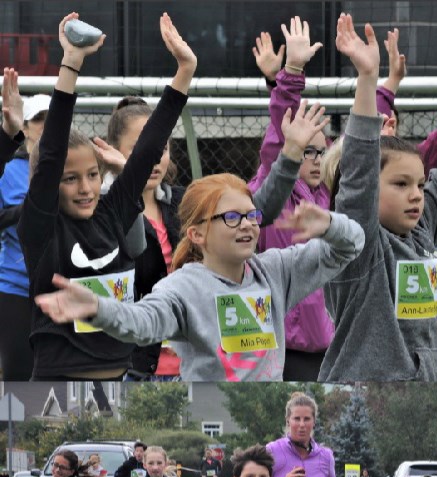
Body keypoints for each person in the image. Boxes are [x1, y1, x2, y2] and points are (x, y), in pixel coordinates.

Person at [33, 112, 364, 382]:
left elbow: (351, 244)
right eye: (232, 217)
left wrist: (329, 225)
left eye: (252, 216)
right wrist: (98, 307)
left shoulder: (276, 270)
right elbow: (141, 323)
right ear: (197, 234)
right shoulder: (183, 287)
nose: (248, 225)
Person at [319, 14, 437, 382]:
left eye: (419, 184)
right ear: (370, 188)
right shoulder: (357, 243)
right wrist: (368, 81)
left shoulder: (422, 230)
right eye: (400, 185)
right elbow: (356, 175)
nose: (416, 195)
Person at [19, 12, 192, 380]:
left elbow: (147, 148)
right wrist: (72, 62)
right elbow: (50, 154)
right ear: (49, 185)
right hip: (61, 379)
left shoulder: (113, 213)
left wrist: (185, 71)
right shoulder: (42, 228)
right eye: (70, 179)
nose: (85, 188)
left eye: (93, 175)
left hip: (123, 378)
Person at [247, 16, 337, 381]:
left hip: (329, 350)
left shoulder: (332, 197)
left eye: (322, 152)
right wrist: (291, 73)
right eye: (307, 152)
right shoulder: (273, 192)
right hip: (285, 353)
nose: (316, 160)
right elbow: (276, 139)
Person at [95, 96, 184, 379]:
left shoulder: (183, 202)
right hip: (131, 366)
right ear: (113, 151)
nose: (154, 159)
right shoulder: (98, 209)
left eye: (162, 148)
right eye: (141, 149)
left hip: (187, 361)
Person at [1, 73, 45, 379]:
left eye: (52, 118)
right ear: (26, 126)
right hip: (15, 285)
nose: (46, 124)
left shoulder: (76, 165)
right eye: (38, 119)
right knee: (18, 374)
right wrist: (32, 208)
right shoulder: (9, 168)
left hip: (59, 285)